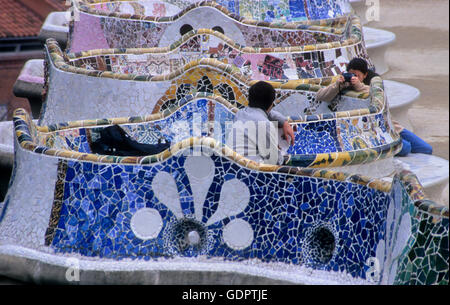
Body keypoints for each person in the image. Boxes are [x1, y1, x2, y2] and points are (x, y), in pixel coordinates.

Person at [226, 81, 295, 165]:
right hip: (250, 170)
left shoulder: (241, 113)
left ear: (250, 98)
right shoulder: (264, 124)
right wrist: (282, 154)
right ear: (271, 104)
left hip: (232, 163)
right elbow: (273, 160)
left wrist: (284, 122)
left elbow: (268, 113)